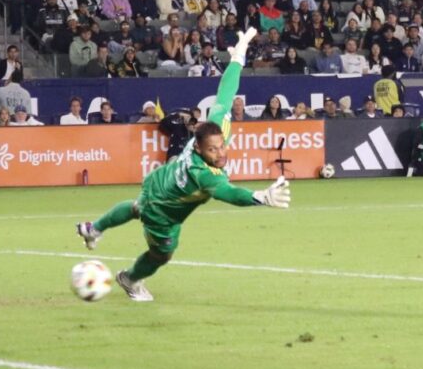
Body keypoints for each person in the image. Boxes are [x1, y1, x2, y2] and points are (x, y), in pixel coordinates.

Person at [75, 28, 291, 302]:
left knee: (134, 207)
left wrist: (238, 57)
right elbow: (228, 193)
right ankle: (129, 279)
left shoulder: (213, 130)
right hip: (163, 211)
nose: (220, 152)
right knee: (162, 254)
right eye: (212, 150)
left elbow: (225, 94)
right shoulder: (202, 173)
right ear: (198, 148)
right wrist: (260, 197)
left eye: (221, 146)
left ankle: (94, 228)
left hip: (158, 181)